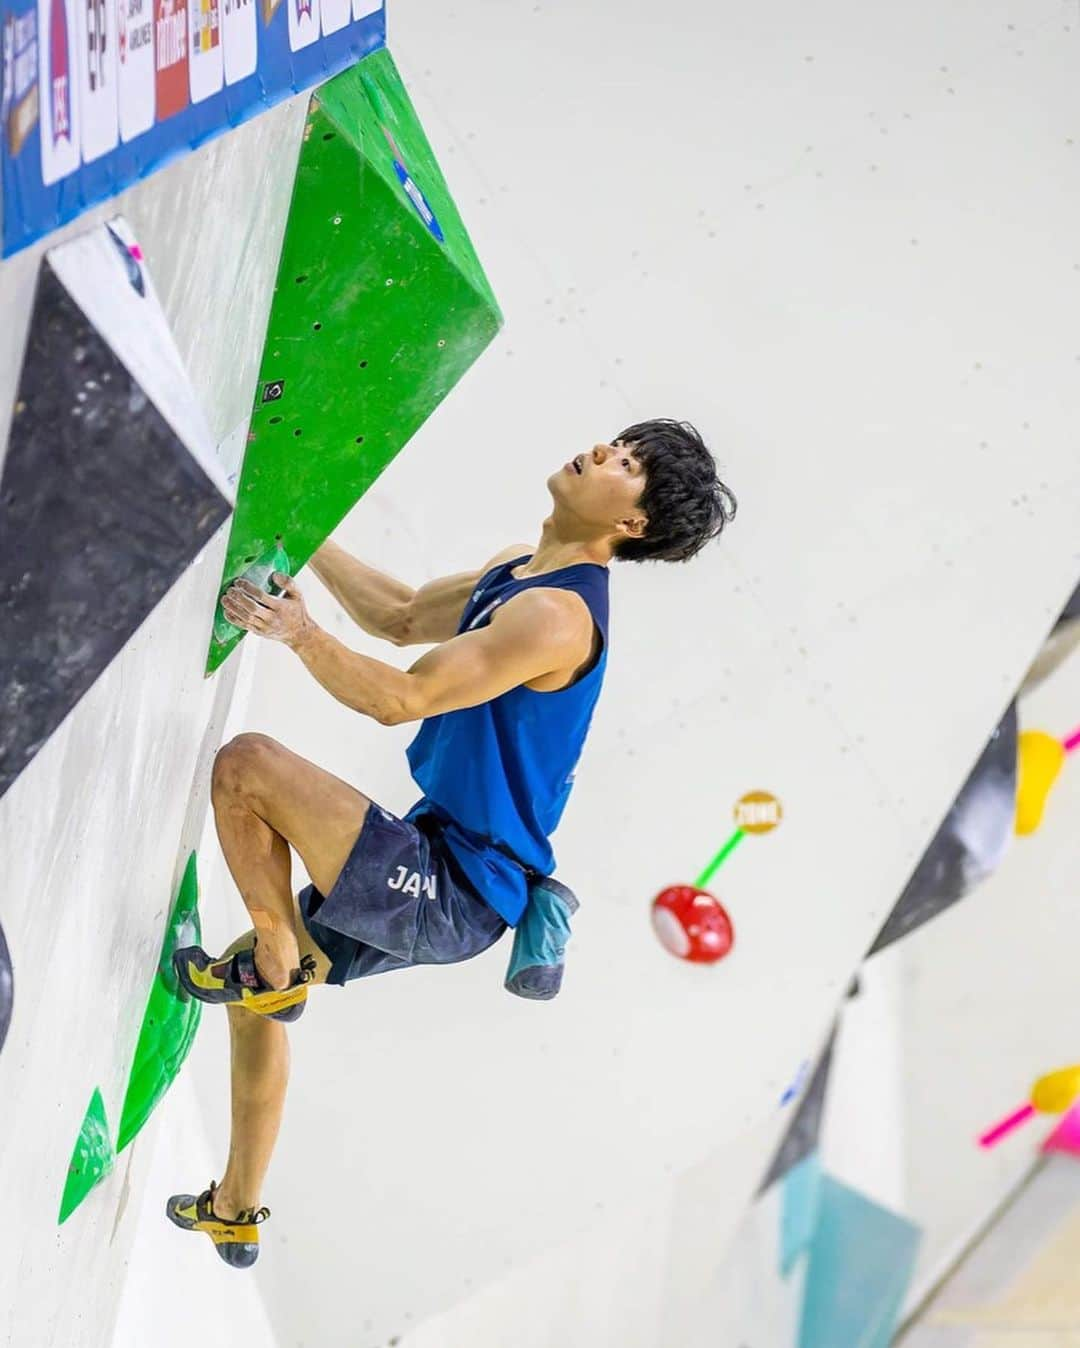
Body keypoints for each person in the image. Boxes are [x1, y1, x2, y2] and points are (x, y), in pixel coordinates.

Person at [166, 420, 736, 1267]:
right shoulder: (519, 570)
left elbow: (402, 697)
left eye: (630, 466)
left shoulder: (556, 618)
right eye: (618, 441)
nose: (605, 452)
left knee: (247, 770)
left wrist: (298, 634)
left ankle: (280, 963)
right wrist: (304, 526)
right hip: (442, 848)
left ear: (634, 525)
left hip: (460, 887)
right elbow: (397, 618)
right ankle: (237, 1210)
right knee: (258, 983)